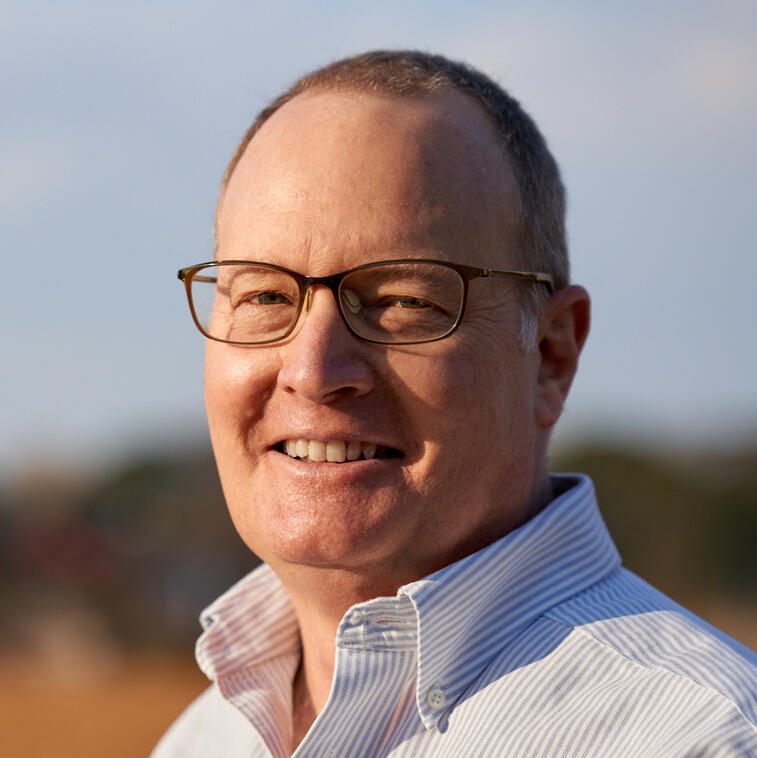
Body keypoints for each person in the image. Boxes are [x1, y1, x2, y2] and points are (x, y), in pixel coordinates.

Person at [154, 50, 757, 757]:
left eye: (404, 300)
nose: (313, 371)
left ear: (551, 355)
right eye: (264, 295)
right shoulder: (201, 741)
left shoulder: (703, 738)